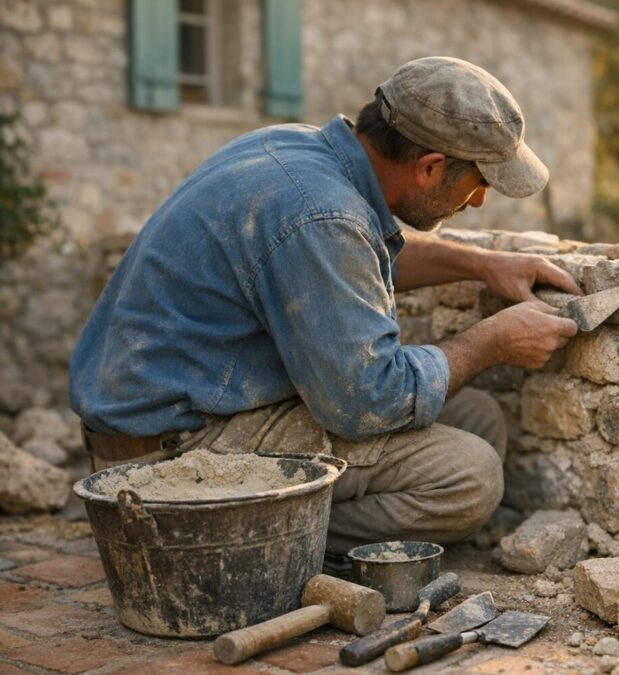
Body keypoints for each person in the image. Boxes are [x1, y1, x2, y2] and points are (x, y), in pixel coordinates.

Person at [69, 56, 581, 559]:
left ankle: (272, 527)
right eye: (481, 183)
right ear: (430, 168)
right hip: (168, 449)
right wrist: (492, 341)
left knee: (478, 416)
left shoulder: (297, 149)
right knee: (469, 475)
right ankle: (212, 537)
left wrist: (484, 264)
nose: (478, 202)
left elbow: (353, 258)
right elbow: (369, 402)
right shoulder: (322, 214)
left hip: (189, 405)